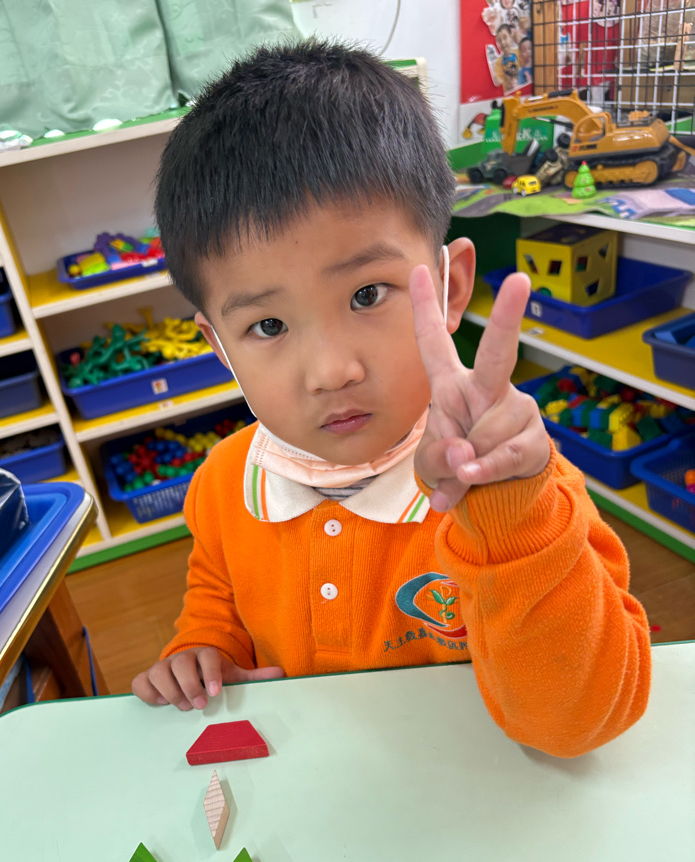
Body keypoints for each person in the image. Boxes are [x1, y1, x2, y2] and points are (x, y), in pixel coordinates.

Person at [135, 40, 651, 758]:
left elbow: (578, 725)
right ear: (220, 346)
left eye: (367, 294)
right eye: (268, 326)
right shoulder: (224, 484)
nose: (331, 371)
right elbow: (218, 599)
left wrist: (507, 521)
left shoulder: (522, 494)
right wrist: (205, 649)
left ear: (450, 286)